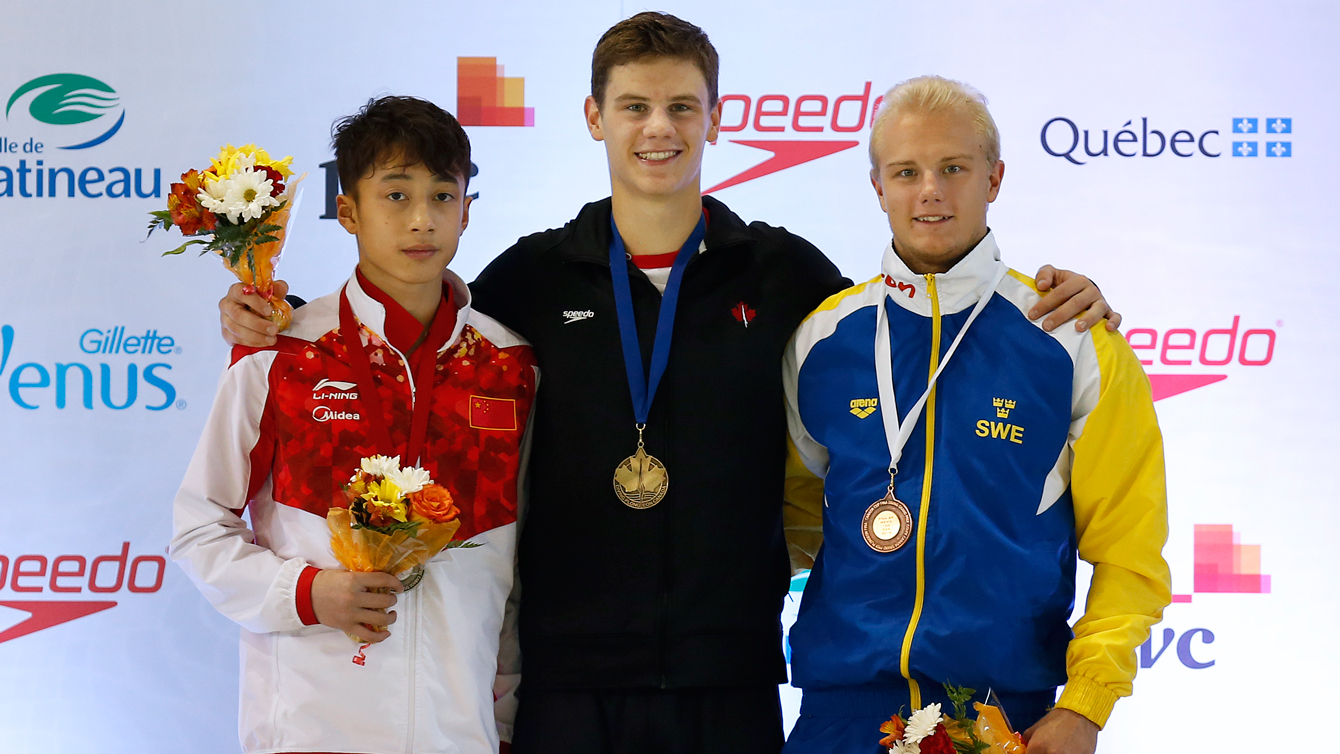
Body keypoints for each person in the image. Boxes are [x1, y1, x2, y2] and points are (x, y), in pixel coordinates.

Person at [217, 14, 1120, 753]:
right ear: (593, 117)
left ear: (717, 119)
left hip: (727, 678)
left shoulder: (785, 275)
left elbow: (916, 321)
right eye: (636, 105)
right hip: (567, 683)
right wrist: (282, 315)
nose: (660, 129)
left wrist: (1077, 303)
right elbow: (422, 339)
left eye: (683, 107)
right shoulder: (530, 280)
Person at [781, 76, 1171, 754]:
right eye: (906, 171)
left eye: (953, 168)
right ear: (878, 186)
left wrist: (1086, 706)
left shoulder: (1072, 339)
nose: (930, 190)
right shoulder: (822, 340)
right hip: (838, 718)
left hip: (999, 721)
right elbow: (788, 521)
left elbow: (1129, 555)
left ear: (994, 178)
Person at [171, 96, 537, 754]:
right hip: (310, 727)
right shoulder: (281, 355)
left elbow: (516, 570)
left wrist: (504, 724)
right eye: (395, 195)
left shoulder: (510, 367)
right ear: (348, 211)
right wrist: (309, 594)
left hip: (458, 734)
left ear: (467, 209)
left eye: (443, 195)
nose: (422, 220)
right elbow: (199, 530)